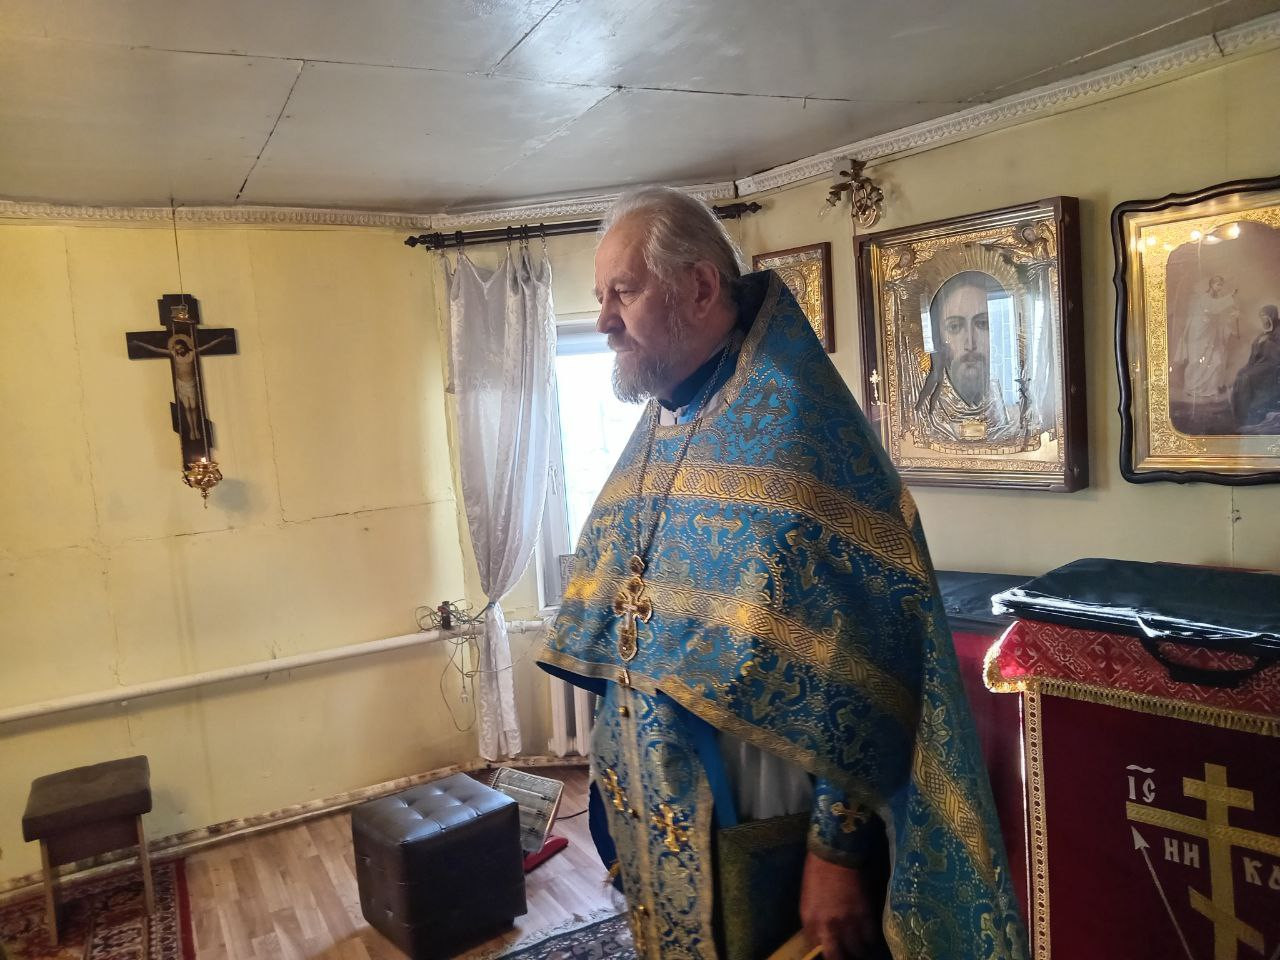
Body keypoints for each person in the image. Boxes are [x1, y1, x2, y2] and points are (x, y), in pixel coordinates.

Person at [539, 187, 1026, 960]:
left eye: (621, 293)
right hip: (659, 820)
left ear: (701, 288)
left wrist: (837, 854)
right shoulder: (663, 424)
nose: (603, 320)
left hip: (764, 817)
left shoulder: (799, 432)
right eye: (601, 297)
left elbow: (869, 667)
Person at [913, 271, 1024, 444]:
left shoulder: (1018, 413)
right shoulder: (927, 419)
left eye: (983, 324)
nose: (970, 344)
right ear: (938, 337)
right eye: (954, 327)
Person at [1176, 274, 1240, 402]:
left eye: (1221, 285)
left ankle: (1209, 388)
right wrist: (1230, 297)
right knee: (1197, 360)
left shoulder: (1214, 299)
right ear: (1211, 284)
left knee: (1215, 359)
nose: (1220, 288)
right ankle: (1193, 387)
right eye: (1218, 285)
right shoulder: (1204, 298)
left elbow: (1219, 312)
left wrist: (1233, 315)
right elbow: (1213, 308)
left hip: (1210, 333)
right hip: (1199, 332)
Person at [1231, 305, 1280, 428]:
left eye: (1265, 316)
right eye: (1261, 316)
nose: (1263, 319)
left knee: (1247, 377)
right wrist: (1259, 342)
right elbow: (1256, 347)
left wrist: (1268, 342)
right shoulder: (1266, 330)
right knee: (1241, 374)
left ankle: (1251, 416)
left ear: (1272, 316)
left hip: (1273, 365)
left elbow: (1276, 352)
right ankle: (1240, 415)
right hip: (1261, 362)